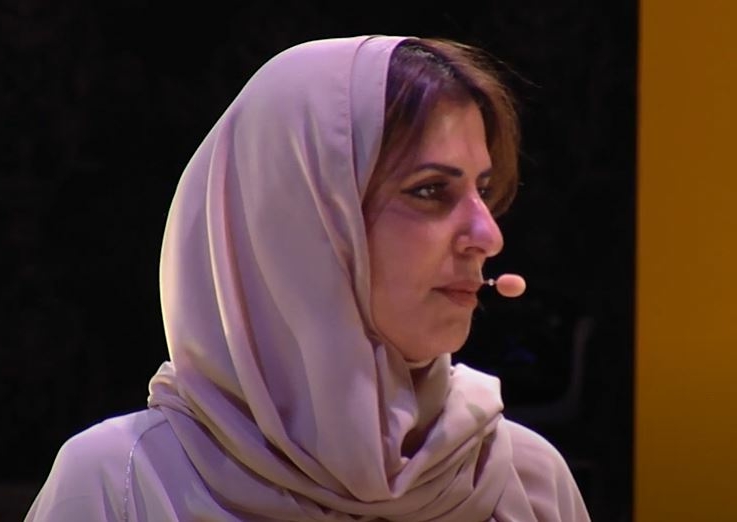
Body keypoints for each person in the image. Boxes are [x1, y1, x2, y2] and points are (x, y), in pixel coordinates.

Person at [25, 35, 590, 521]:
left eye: (483, 191)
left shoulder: (527, 481)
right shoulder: (119, 484)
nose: (488, 235)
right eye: (430, 190)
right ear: (298, 227)